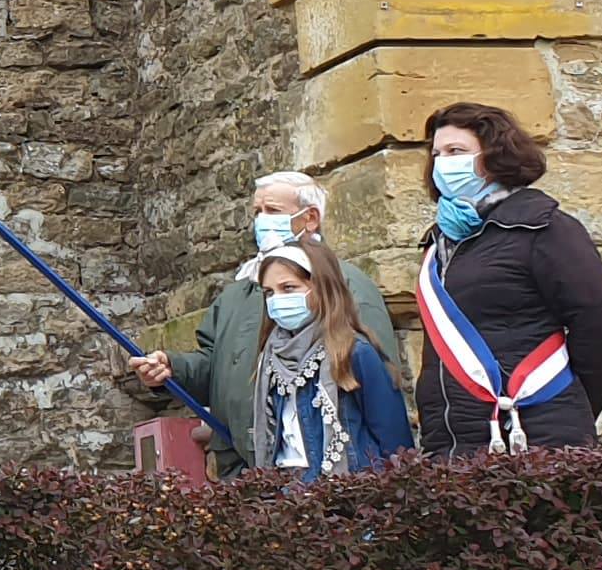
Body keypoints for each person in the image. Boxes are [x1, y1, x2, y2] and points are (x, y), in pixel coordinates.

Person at [130, 169, 401, 474]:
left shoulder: (348, 285)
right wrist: (174, 369)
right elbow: (219, 368)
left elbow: (380, 386)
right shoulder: (236, 294)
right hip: (249, 471)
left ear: (310, 218)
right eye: (257, 212)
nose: (261, 220)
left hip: (339, 475)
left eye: (272, 211)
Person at [416, 101, 602, 456]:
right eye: (437, 154)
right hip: (453, 443)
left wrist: (567, 405)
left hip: (534, 434)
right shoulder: (439, 242)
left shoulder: (546, 228)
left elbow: (598, 324)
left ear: (495, 157)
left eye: (456, 151)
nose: (443, 163)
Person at [253, 241, 414, 481]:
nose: (277, 300)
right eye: (269, 292)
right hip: (287, 492)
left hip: (347, 492)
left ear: (321, 287)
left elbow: (396, 443)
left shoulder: (355, 352)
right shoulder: (269, 357)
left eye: (288, 288)